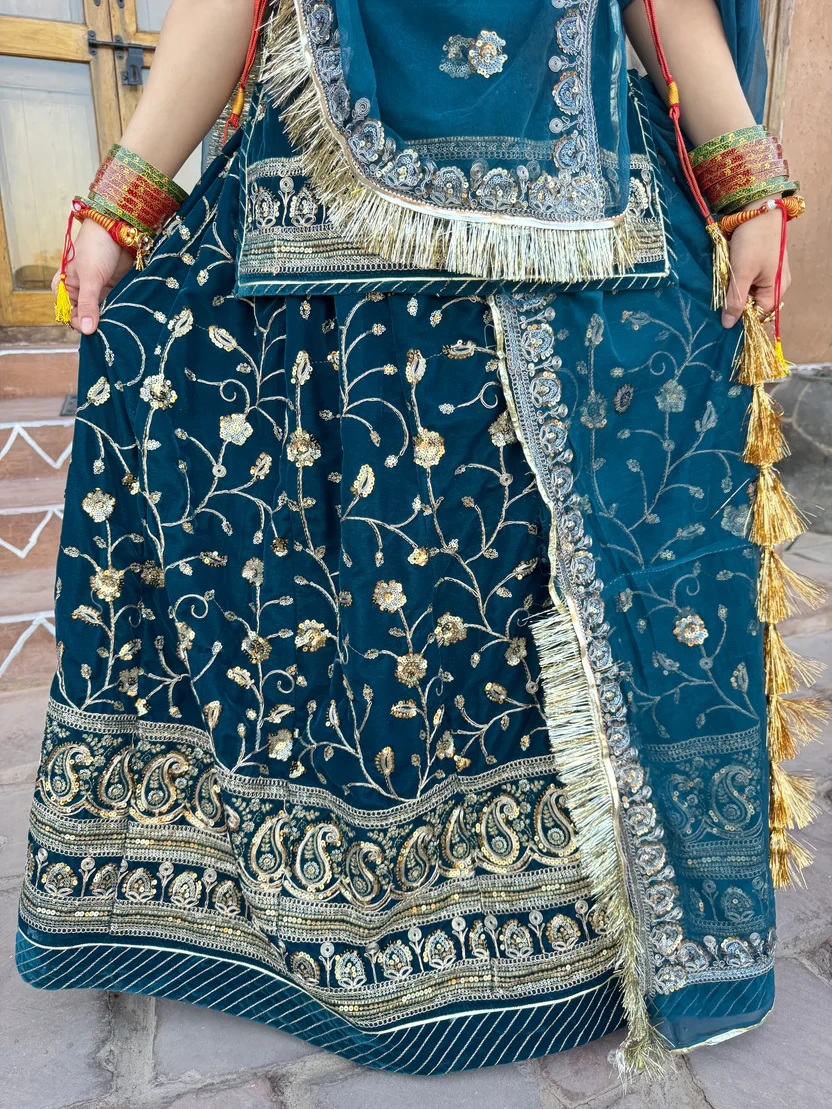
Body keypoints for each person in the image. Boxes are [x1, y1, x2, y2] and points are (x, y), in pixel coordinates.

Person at [15, 0, 823, 1078]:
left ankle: (596, 936)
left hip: (581, 224)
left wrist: (745, 183)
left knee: (528, 563)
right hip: (323, 214)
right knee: (321, 541)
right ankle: (321, 914)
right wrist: (121, 207)